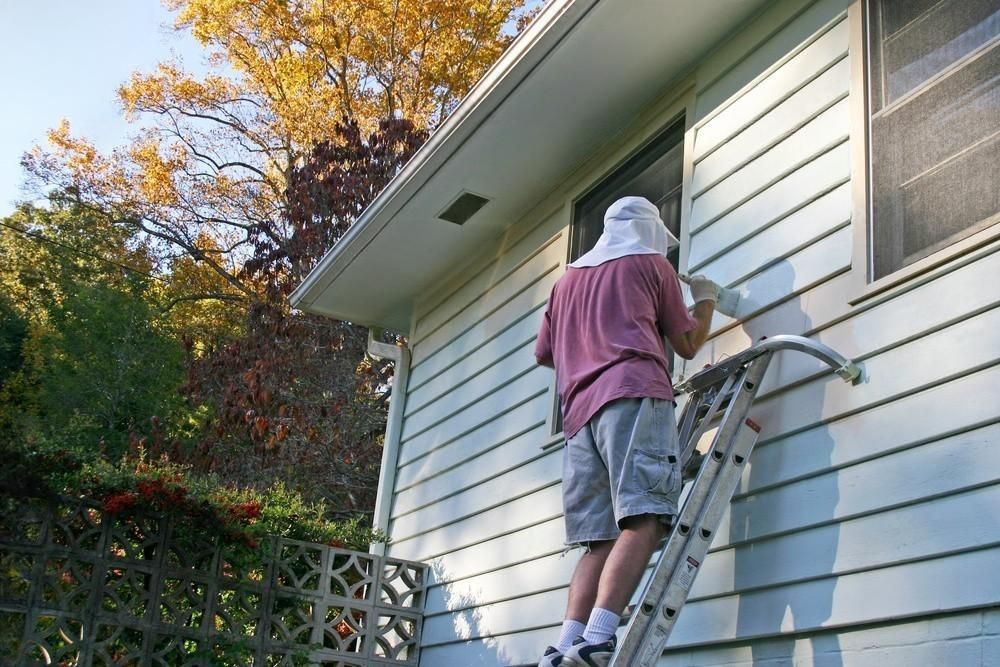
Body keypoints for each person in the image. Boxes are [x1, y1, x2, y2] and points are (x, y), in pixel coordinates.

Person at [534, 196, 720, 667]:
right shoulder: (650, 264)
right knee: (644, 518)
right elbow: (688, 343)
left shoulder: (566, 283)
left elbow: (546, 354)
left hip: (578, 418)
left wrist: (592, 344)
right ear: (649, 231)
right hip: (634, 395)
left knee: (599, 539)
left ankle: (565, 646)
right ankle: (598, 640)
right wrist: (707, 299)